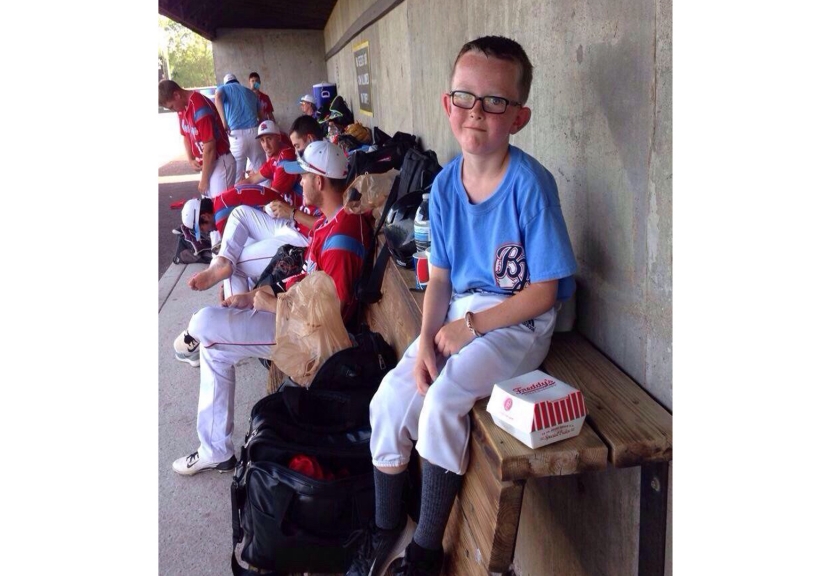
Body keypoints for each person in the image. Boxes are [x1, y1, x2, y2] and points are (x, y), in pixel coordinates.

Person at [347, 36, 577, 576]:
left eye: (495, 101)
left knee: (444, 398)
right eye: (465, 97)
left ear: (518, 117)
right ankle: (387, 528)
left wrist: (470, 328)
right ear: (448, 105)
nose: (478, 111)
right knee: (388, 401)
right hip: (460, 316)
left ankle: (425, 553)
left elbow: (542, 292)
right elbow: (441, 279)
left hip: (519, 319)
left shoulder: (530, 185)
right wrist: (427, 340)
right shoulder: (446, 184)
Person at [172, 139, 373, 476]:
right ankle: (214, 449)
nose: (300, 182)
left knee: (206, 324)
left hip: (313, 344)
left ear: (320, 182)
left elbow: (331, 320)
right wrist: (257, 297)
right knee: (214, 347)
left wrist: (273, 303)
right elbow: (309, 284)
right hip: (294, 321)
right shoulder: (329, 222)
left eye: (305, 176)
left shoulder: (341, 237)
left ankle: (214, 446)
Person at [158, 79, 236, 198]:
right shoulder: (182, 109)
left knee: (221, 210)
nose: (173, 110)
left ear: (176, 95)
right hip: (208, 163)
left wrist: (204, 180)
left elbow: (210, 146)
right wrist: (190, 158)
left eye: (172, 106)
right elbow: (185, 134)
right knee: (209, 211)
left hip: (221, 161)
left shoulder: (199, 106)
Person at [215, 72, 266, 179]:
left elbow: (218, 96)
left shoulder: (223, 88)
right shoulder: (251, 93)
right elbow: (262, 115)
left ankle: (240, 194)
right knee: (262, 172)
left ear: (226, 82)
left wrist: (224, 122)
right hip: (254, 133)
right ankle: (266, 194)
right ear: (237, 81)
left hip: (236, 135)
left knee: (237, 176)